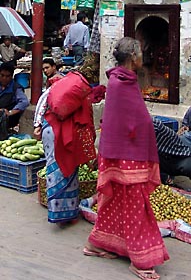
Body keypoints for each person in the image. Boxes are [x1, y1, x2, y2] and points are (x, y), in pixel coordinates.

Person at [85, 37, 169, 280]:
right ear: (133, 57)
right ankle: (140, 259)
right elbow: (126, 121)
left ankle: (98, 244)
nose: (144, 57)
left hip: (125, 153)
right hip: (126, 155)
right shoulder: (120, 83)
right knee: (135, 205)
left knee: (117, 203)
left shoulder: (123, 80)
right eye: (141, 53)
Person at [37, 54, 101, 226]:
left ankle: (57, 213)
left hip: (48, 127)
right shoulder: (83, 91)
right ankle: (65, 216)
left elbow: (44, 101)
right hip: (61, 135)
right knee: (67, 173)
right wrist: (90, 155)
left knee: (53, 170)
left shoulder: (65, 80)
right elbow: (86, 124)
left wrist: (37, 123)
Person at [153, 117, 191, 193]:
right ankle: (165, 183)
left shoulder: (152, 124)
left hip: (178, 156)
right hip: (161, 157)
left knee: (190, 167)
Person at [0, 61, 29, 130]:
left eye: (7, 76)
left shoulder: (16, 88)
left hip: (6, 119)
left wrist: (10, 112)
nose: (4, 78)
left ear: (12, 76)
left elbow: (24, 102)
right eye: (2, 75)